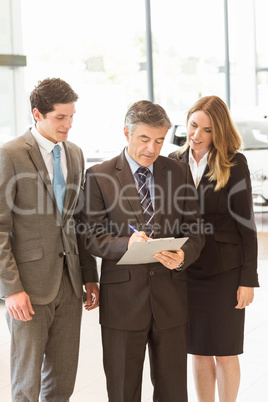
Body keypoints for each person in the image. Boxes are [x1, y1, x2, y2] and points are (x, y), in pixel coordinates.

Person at [77, 100, 205, 402]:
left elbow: (196, 231)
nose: (152, 148)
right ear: (126, 132)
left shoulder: (180, 172)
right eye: (144, 139)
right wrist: (126, 244)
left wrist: (184, 255)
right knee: (122, 391)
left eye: (159, 140)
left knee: (174, 392)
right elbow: (90, 236)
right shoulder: (99, 176)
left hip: (171, 301)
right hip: (123, 303)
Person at [0, 77, 99, 402]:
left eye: (71, 117)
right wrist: (12, 289)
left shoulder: (75, 154)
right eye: (60, 117)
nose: (68, 125)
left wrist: (89, 276)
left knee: (62, 383)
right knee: (27, 385)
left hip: (70, 287)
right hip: (28, 289)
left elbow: (77, 221)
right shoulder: (10, 154)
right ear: (37, 114)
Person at [169, 95, 259, 402]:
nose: (197, 135)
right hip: (186, 269)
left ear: (218, 131)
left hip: (224, 272)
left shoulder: (235, 164)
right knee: (198, 350)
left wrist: (248, 279)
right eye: (193, 125)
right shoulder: (173, 161)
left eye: (206, 130)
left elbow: (246, 225)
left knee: (224, 350)